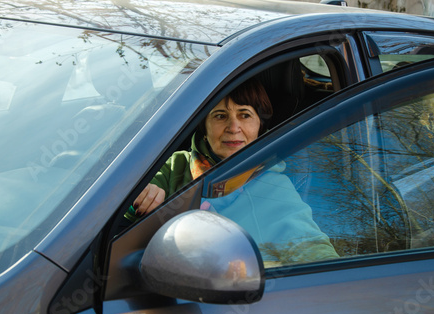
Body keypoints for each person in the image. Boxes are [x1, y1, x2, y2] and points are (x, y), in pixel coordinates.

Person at [125, 78, 339, 264]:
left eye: (245, 115)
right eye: (220, 116)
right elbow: (119, 218)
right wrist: (141, 200)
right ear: (204, 127)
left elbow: (314, 251)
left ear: (259, 126)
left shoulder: (274, 187)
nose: (233, 127)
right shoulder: (176, 165)